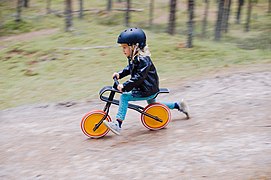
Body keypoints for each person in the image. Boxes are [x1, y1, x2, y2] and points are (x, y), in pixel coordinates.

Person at [103, 27, 189, 135]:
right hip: (148, 88)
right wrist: (120, 74)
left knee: (124, 97)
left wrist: (124, 86)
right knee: (154, 107)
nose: (123, 50)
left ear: (135, 46)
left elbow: (139, 77)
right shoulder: (135, 58)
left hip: (146, 90)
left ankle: (118, 125)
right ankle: (178, 105)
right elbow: (130, 69)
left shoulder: (143, 60)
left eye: (125, 47)